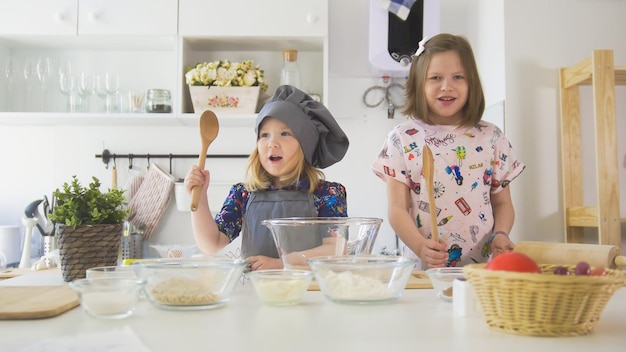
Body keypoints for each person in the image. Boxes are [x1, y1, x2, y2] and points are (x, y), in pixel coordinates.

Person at [371, 33, 525, 269]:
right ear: (419, 83)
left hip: (481, 271)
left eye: (458, 77)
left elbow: (502, 203)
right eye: (435, 77)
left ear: (471, 82)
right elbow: (397, 209)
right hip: (423, 270)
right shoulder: (401, 138)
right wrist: (420, 246)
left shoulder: (492, 136)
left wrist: (501, 234)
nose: (447, 86)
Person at [185, 85, 350, 271]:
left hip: (309, 293)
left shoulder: (327, 194)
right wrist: (200, 198)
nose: (272, 143)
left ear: (306, 144)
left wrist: (282, 264)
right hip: (256, 294)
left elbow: (335, 249)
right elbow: (211, 244)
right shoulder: (243, 194)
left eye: (285, 133)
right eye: (264, 135)